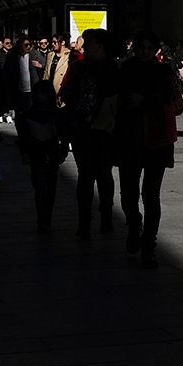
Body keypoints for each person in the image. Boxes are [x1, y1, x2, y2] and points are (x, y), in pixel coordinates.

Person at [117, 30, 181, 268]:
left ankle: (149, 245)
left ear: (156, 50)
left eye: (148, 48)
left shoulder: (165, 72)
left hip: (157, 139)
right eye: (140, 47)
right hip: (129, 139)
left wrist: (146, 99)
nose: (144, 52)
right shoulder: (125, 70)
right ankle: (134, 225)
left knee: (151, 195)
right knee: (128, 195)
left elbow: (176, 103)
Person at [60, 28, 121, 240]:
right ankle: (84, 222)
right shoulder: (77, 68)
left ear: (100, 46)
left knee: (103, 173)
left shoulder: (114, 68)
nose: (83, 47)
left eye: (87, 43)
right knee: (86, 175)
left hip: (105, 129)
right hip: (81, 129)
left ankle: (106, 216)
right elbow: (67, 95)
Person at [16, 81, 67, 235]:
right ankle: (43, 219)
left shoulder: (56, 114)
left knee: (50, 188)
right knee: (40, 188)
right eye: (37, 93)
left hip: (51, 154)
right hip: (36, 154)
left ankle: (46, 219)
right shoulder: (27, 115)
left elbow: (63, 135)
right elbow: (23, 137)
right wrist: (24, 152)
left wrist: (62, 152)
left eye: (43, 93)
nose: (39, 97)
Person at [2, 35, 35, 119]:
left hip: (31, 89)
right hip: (18, 90)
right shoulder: (12, 57)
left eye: (29, 45)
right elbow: (7, 73)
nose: (28, 47)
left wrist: (39, 66)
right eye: (26, 45)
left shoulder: (34, 56)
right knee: (20, 114)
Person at [46, 36, 73, 105]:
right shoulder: (50, 55)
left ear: (63, 42)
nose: (53, 44)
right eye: (52, 42)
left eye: (55, 42)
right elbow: (46, 72)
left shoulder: (70, 55)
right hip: (49, 90)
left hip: (60, 90)